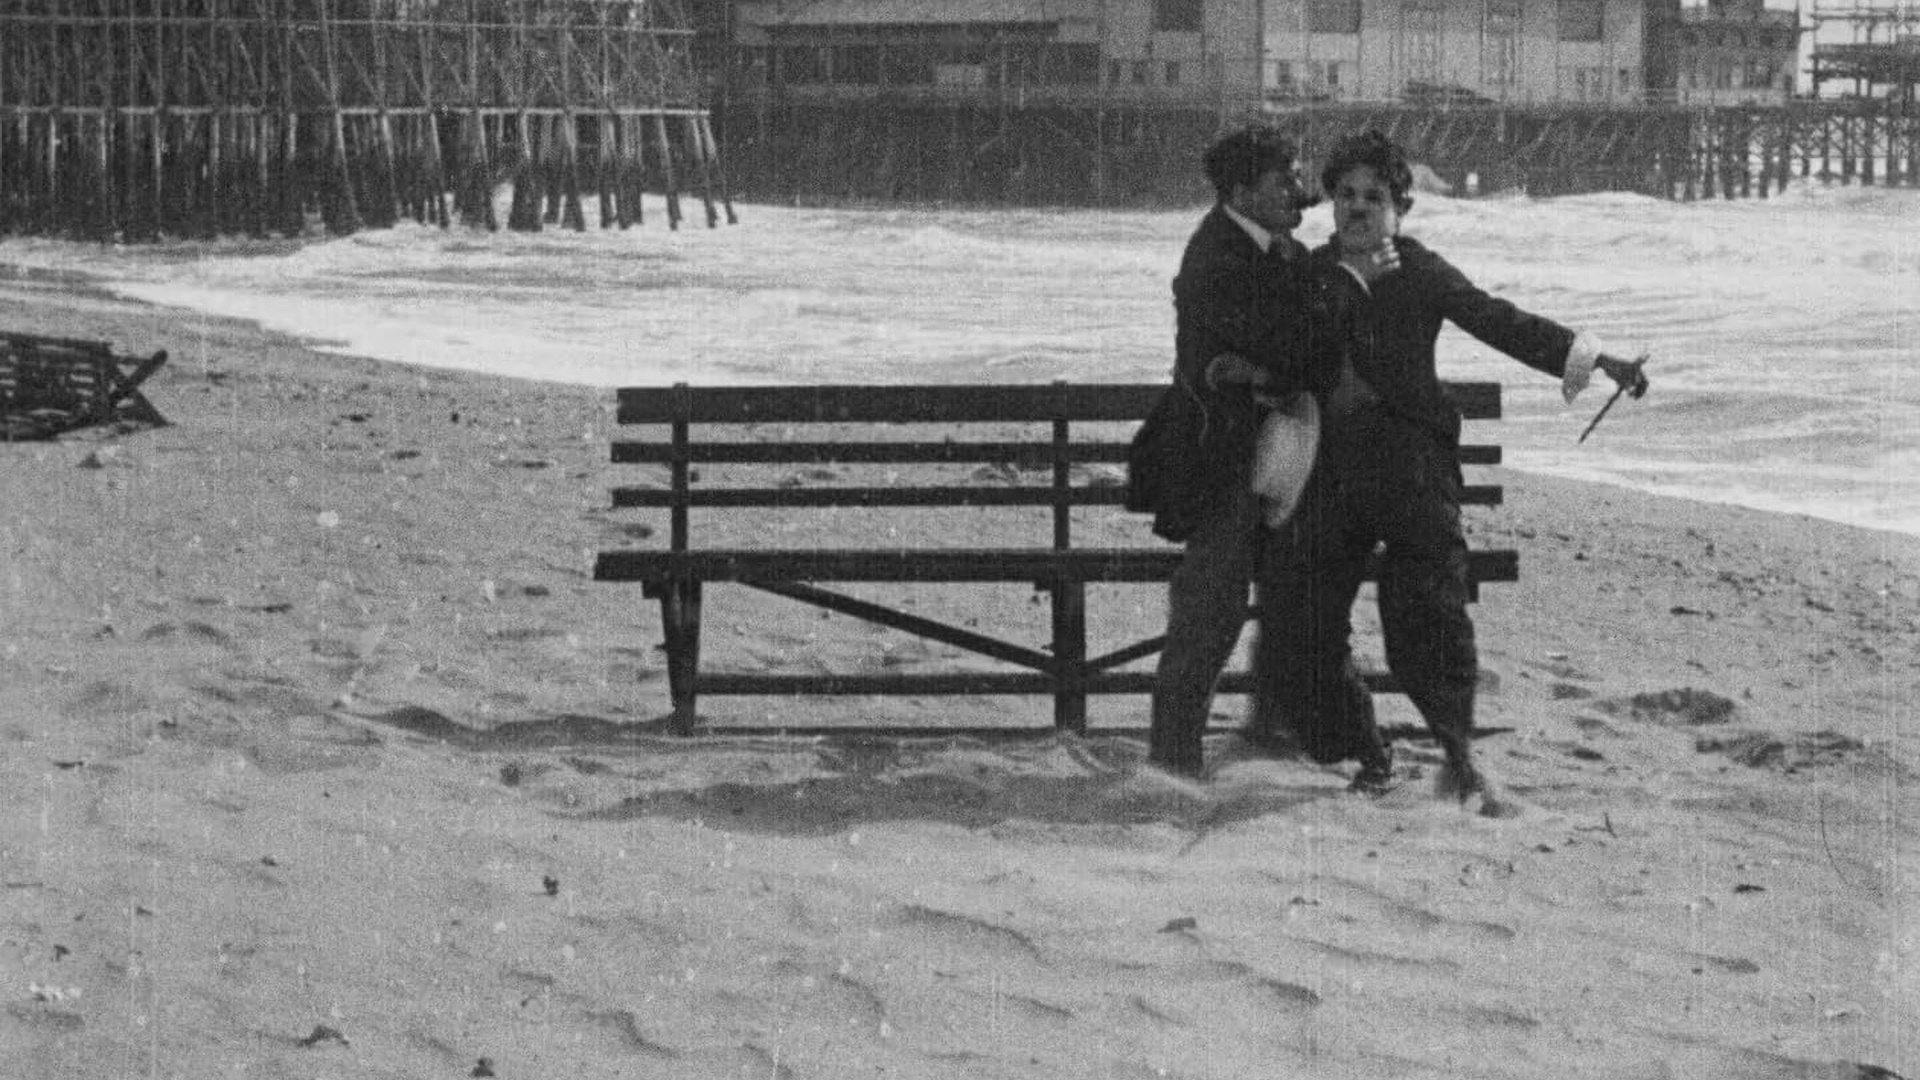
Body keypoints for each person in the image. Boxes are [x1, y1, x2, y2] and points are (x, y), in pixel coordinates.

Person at [1248, 129, 1648, 810]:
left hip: (1412, 471)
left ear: (1400, 206)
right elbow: (1287, 351)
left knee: (1430, 615)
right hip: (1331, 475)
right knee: (1301, 626)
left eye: (1374, 196)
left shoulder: (1421, 269)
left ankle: (1459, 757)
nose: (1357, 207)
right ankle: (1369, 753)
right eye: (1345, 195)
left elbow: (1498, 320)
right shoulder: (1310, 274)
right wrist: (1345, 289)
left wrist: (1593, 357)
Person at [1129, 123, 1343, 778]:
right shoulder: (1216, 258)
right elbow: (1292, 347)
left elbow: (1311, 347)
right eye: (1285, 181)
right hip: (1218, 463)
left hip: (1270, 460)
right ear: (1244, 191)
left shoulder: (1276, 250)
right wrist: (1276, 367)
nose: (1300, 193)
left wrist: (1263, 370)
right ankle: (1173, 761)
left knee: (1289, 601)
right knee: (1209, 615)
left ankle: (1269, 731)